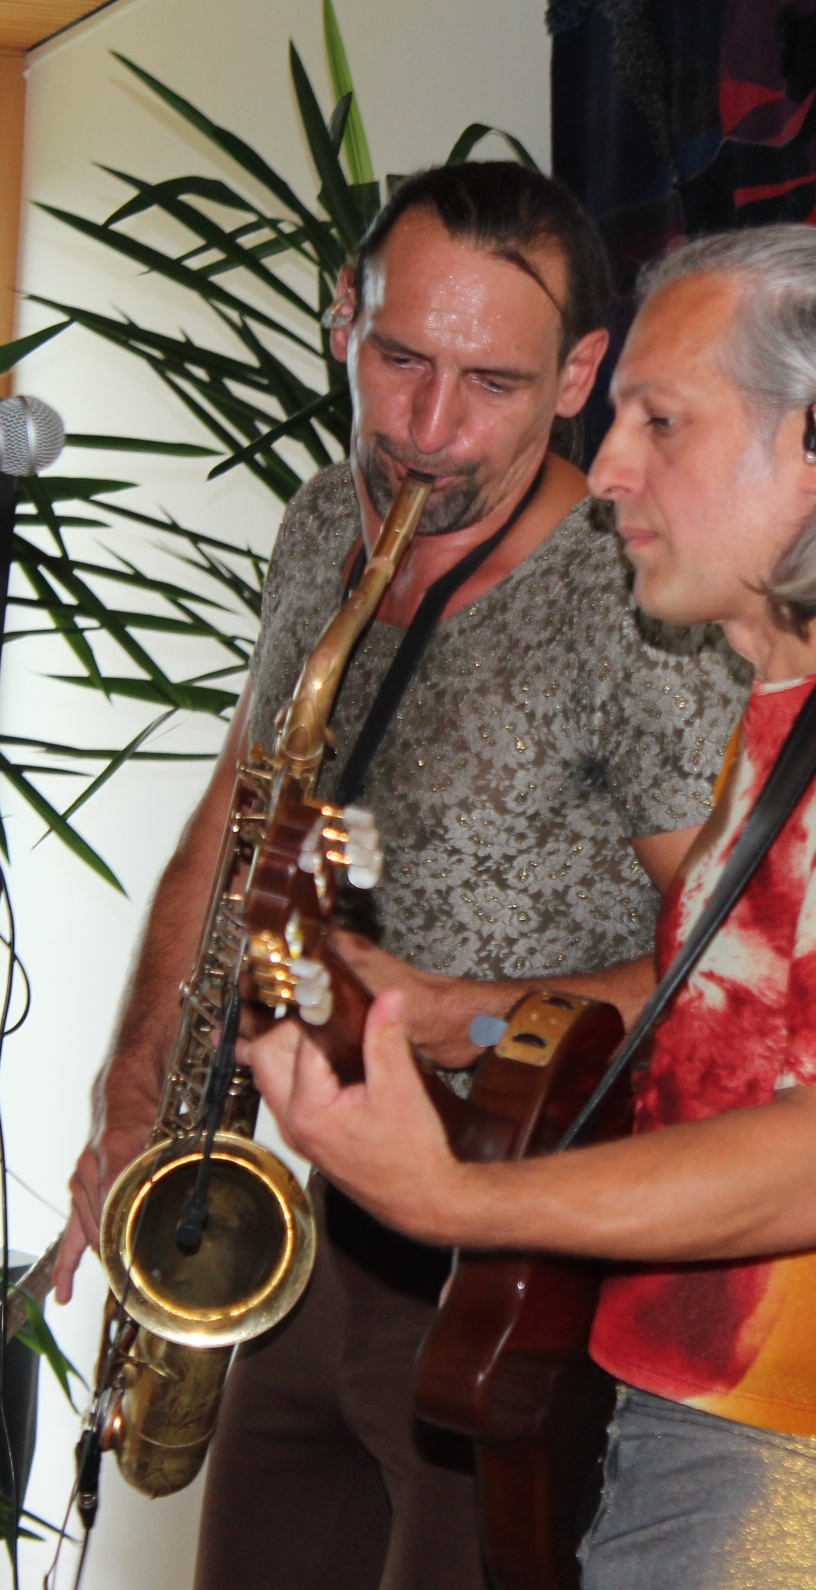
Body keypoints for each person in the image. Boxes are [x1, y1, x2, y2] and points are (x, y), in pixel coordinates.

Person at [250, 223, 816, 1590]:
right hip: (704, 1451)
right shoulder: (805, 713)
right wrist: (462, 1017)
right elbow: (725, 1015)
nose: (608, 471)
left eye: (660, 420)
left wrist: (456, 1194)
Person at [53, 163, 748, 1590]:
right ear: (342, 320)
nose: (428, 431)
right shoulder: (327, 521)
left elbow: (740, 970)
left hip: (518, 1266)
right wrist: (134, 1091)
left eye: (491, 383)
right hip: (324, 1231)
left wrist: (463, 1015)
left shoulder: (637, 602)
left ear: (579, 378)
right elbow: (233, 815)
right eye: (400, 360)